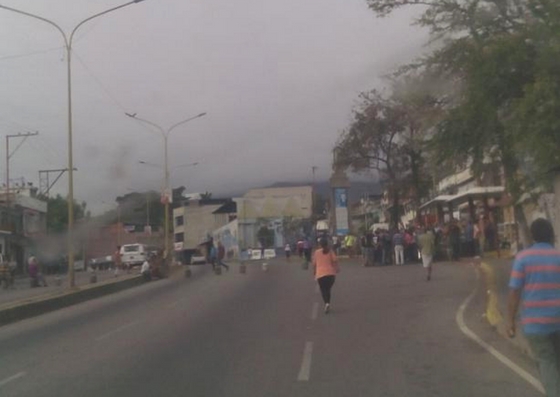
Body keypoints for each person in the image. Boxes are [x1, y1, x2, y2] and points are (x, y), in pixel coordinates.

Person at [508, 218, 560, 397]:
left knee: (546, 362)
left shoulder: (523, 257)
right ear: (551, 235)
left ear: (533, 236)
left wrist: (510, 321)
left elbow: (514, 292)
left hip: (534, 325)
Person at [313, 238, 340, 314]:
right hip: (331, 274)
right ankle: (328, 303)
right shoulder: (330, 251)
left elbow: (314, 264)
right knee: (328, 289)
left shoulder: (317, 252)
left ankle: (326, 303)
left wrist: (314, 272)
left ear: (320, 245)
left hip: (320, 274)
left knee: (323, 289)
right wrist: (337, 268)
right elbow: (335, 260)